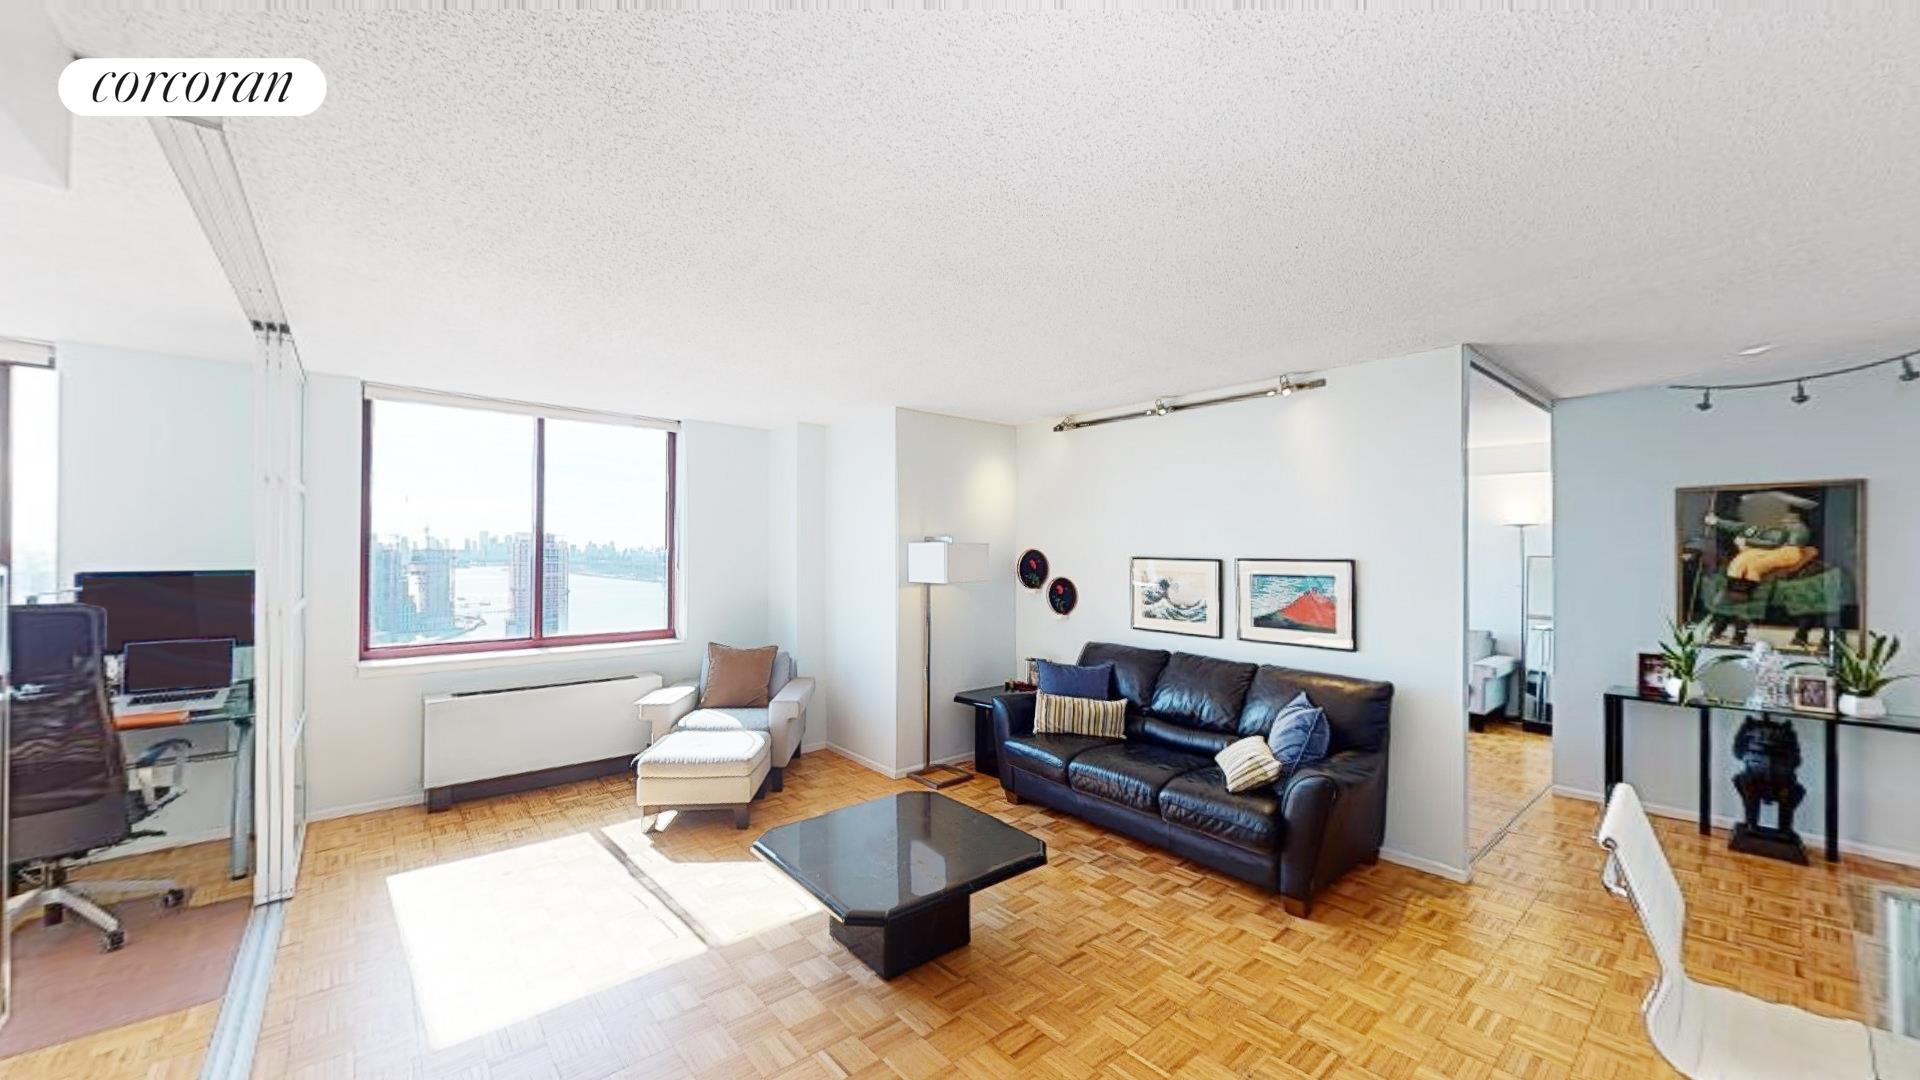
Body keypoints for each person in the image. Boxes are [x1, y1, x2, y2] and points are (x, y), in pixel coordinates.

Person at [1705, 507, 1816, 585]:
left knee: (1753, 566)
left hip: (1784, 551)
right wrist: (1717, 522)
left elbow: (1776, 543)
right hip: (1763, 551)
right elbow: (1738, 527)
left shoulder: (1793, 526)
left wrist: (1747, 542)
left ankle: (1750, 593)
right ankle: (1734, 590)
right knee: (1738, 564)